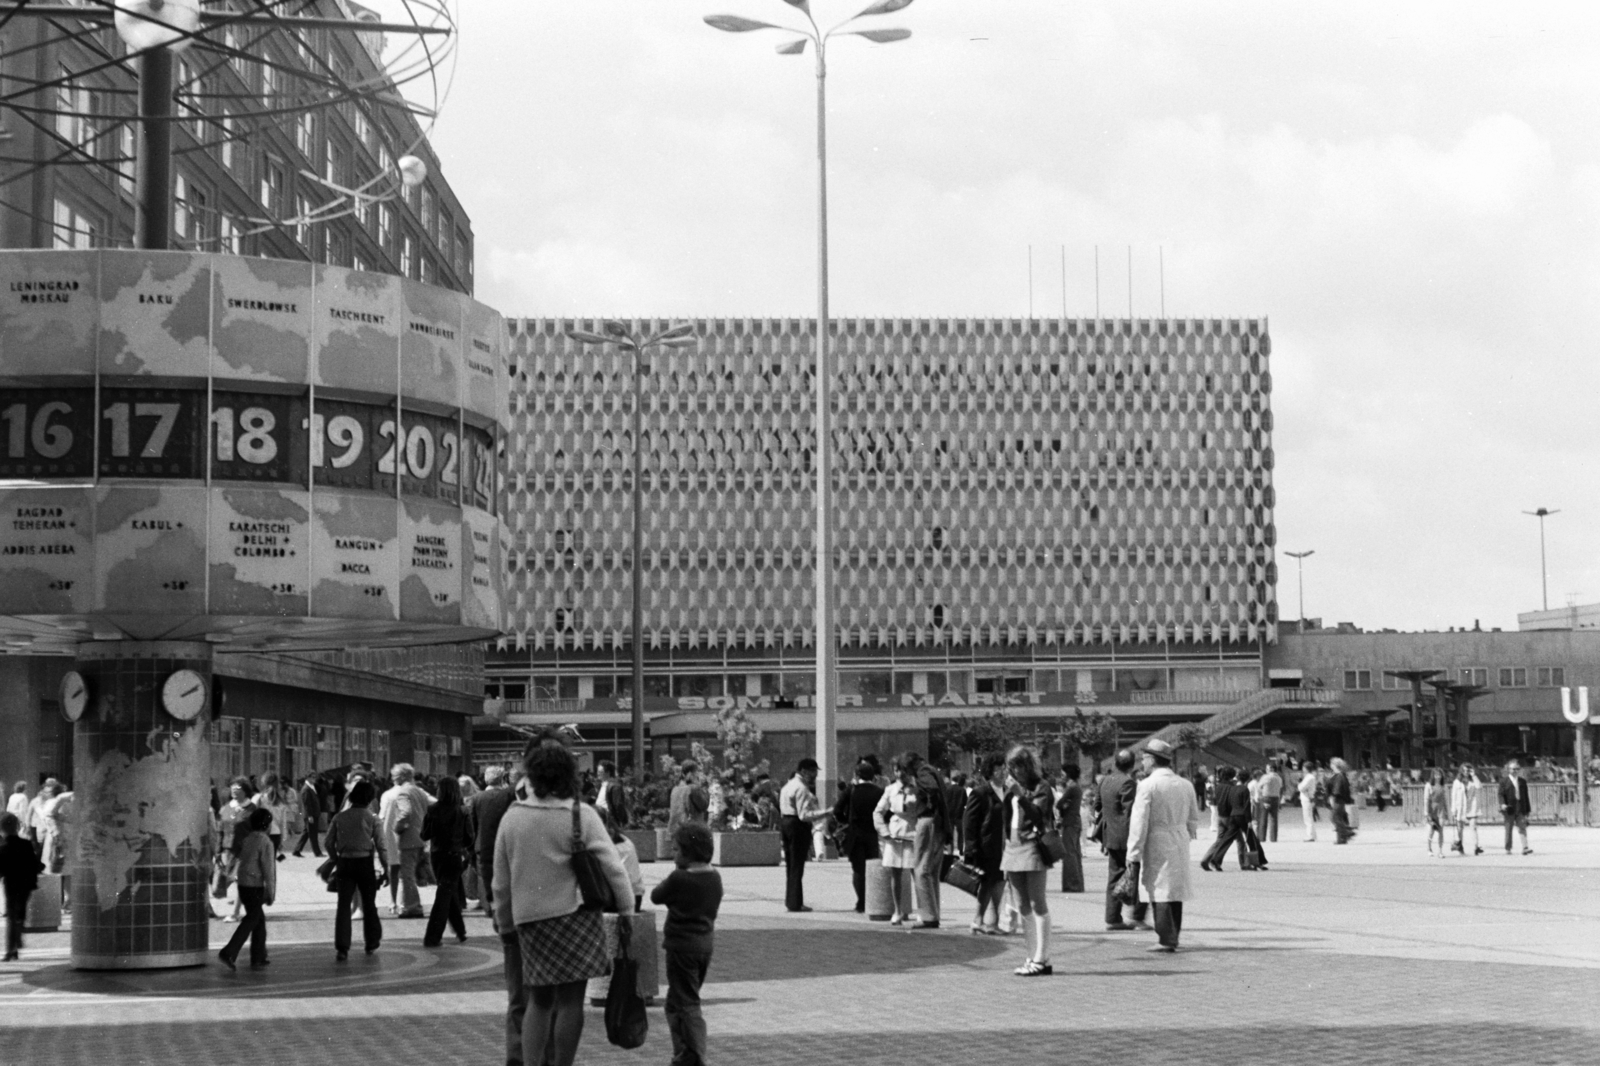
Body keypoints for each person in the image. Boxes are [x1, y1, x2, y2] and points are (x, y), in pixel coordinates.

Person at [493, 742, 633, 1066]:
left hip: (530, 920)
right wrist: (626, 910)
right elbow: (614, 868)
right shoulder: (580, 815)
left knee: (538, 1002)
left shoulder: (512, 818)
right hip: (576, 918)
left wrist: (505, 924)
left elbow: (500, 882)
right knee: (571, 1002)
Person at [651, 822, 724, 1066]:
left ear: (687, 852)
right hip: (704, 945)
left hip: (681, 947)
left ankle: (695, 1053)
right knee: (677, 1001)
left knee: (687, 1002)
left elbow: (656, 895)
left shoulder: (679, 878)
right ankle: (683, 1052)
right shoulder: (714, 877)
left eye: (675, 850)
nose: (673, 855)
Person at [1127, 738, 1201, 952]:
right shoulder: (1185, 784)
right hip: (1179, 838)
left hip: (1157, 839)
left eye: (1144, 759)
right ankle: (1173, 935)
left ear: (1152, 759)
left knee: (1159, 889)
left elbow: (1139, 823)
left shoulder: (1148, 785)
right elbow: (1193, 818)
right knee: (1175, 889)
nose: (1142, 763)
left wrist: (1133, 853)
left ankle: (1165, 939)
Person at [475, 765, 524, 1065]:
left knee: (520, 997)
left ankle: (518, 1056)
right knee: (555, 1000)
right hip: (556, 919)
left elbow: (501, 879)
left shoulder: (487, 802)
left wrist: (500, 917)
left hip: (516, 919)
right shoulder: (575, 814)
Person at [1000, 744, 1053, 975]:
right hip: (1013, 846)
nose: (1014, 772)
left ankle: (1042, 958)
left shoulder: (1041, 787)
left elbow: (1038, 815)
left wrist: (1020, 796)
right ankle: (1031, 956)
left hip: (1032, 844)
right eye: (1010, 767)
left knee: (1036, 903)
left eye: (1018, 766)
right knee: (1021, 905)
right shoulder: (1012, 787)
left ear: (1028, 765)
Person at [325, 779, 386, 961]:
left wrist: (335, 858)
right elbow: (382, 846)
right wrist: (386, 868)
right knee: (369, 903)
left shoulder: (339, 817)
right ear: (369, 799)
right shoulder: (372, 818)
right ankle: (371, 941)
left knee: (343, 905)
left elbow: (328, 842)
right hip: (365, 862)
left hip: (345, 862)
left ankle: (342, 947)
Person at [1096, 749, 1150, 932]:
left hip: (1110, 836)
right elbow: (1131, 812)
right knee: (1140, 874)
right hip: (1126, 837)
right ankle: (1137, 916)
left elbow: (1097, 805)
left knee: (1114, 876)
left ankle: (1112, 917)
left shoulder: (1105, 780)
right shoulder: (1127, 782)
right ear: (1132, 765)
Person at [217, 807, 276, 970]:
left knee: (259, 920)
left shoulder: (248, 838)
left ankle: (259, 956)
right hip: (254, 885)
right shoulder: (265, 842)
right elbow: (268, 871)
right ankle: (229, 951)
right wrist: (271, 893)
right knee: (252, 919)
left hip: (243, 884)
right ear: (267, 825)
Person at [422, 775, 474, 947]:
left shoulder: (432, 809)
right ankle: (433, 936)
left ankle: (460, 931)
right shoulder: (463, 810)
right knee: (445, 894)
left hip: (437, 856)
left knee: (446, 892)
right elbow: (469, 838)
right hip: (454, 856)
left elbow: (424, 834)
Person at [962, 752, 1006, 935]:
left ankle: (992, 921)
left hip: (1006, 845)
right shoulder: (981, 793)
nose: (1002, 771)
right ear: (990, 771)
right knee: (988, 882)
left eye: (1004, 767)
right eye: (998, 768)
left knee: (999, 882)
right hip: (987, 846)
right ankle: (979, 919)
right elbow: (969, 822)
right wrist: (971, 847)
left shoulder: (1008, 791)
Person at [380, 763, 432, 918]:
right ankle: (412, 904)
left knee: (407, 875)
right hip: (420, 836)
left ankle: (412, 906)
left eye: (395, 776)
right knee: (410, 874)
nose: (393, 779)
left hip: (407, 838)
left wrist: (397, 828)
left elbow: (405, 813)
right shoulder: (419, 791)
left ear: (401, 777)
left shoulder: (403, 793)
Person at [873, 755, 920, 925]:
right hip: (894, 834)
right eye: (896, 770)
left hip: (914, 832)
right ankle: (898, 910)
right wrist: (883, 831)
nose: (899, 774)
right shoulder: (890, 789)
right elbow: (878, 811)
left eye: (902, 770)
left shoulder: (918, 788)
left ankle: (922, 910)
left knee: (918, 874)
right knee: (896, 874)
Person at [832, 757, 883, 914]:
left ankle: (861, 902)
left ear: (856, 775)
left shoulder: (850, 791)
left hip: (855, 834)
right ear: (873, 776)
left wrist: (845, 822)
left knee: (858, 869)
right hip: (872, 835)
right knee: (871, 868)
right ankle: (871, 900)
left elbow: (837, 810)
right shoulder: (879, 792)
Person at [777, 757, 828, 912]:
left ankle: (792, 901)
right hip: (797, 826)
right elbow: (804, 815)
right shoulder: (802, 788)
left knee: (791, 866)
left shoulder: (788, 785)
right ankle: (795, 903)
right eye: (812, 771)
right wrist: (825, 812)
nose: (815, 775)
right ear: (804, 771)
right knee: (797, 866)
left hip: (785, 823)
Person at [908, 752, 947, 929]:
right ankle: (933, 913)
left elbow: (931, 788)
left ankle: (929, 916)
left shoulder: (923, 772)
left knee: (921, 870)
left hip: (928, 820)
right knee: (931, 872)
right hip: (938, 822)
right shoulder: (933, 770)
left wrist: (920, 791)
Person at [0, 812, 43, 961]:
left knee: (11, 916)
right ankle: (17, 940)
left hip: (11, 885)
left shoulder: (3, 847)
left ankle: (10, 949)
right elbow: (34, 864)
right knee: (20, 913)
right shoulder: (26, 844)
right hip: (26, 884)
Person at [217, 777, 256, 922]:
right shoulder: (226, 808)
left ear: (245, 791)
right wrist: (218, 851)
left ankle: (235, 913)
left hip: (246, 851)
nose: (234, 791)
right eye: (232, 788)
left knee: (240, 879)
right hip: (229, 850)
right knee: (231, 879)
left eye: (237, 789)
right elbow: (220, 830)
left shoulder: (252, 809)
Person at [1200, 767, 1251, 871]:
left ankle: (1206, 859)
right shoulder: (1231, 787)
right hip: (1230, 816)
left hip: (1220, 815)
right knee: (1240, 841)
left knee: (1220, 840)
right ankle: (1244, 863)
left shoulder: (1219, 786)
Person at [1054, 762, 1085, 893]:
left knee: (1069, 854)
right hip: (1075, 822)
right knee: (1075, 853)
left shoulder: (1071, 787)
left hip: (1070, 823)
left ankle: (1071, 884)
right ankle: (1076, 883)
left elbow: (1059, 803)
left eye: (1063, 774)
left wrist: (1063, 805)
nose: (1061, 776)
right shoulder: (1076, 787)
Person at [253, 773, 293, 860]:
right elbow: (283, 823)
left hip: (262, 834)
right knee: (270, 865)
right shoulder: (281, 802)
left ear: (264, 783)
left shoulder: (259, 798)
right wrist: (283, 840)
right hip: (276, 834)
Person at [667, 762, 709, 841]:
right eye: (697, 772)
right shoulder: (693, 788)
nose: (698, 775)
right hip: (691, 830)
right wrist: (704, 788)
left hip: (675, 830)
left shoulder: (675, 789)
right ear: (691, 773)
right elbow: (704, 805)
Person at [1499, 761, 1532, 855]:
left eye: (1517, 769)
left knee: (1522, 827)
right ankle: (1508, 848)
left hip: (1520, 807)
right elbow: (1500, 794)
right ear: (1509, 770)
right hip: (1509, 808)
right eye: (1513, 769)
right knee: (1508, 829)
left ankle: (1525, 847)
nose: (1515, 771)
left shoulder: (1522, 781)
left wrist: (1528, 810)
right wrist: (1502, 804)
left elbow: (1526, 796)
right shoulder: (1504, 781)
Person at [1450, 764, 1484, 855]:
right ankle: (1460, 848)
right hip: (1461, 807)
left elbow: (1479, 787)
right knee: (1460, 829)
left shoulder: (1473, 780)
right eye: (1464, 770)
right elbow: (1454, 796)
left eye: (1468, 770)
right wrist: (1453, 809)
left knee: (1473, 827)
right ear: (1461, 771)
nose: (1466, 772)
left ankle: (1476, 847)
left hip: (1472, 807)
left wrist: (1474, 775)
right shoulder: (1457, 782)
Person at [293, 774, 323, 858]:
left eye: (315, 777)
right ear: (308, 778)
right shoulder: (306, 789)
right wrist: (310, 815)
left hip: (313, 814)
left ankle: (297, 850)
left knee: (306, 833)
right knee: (313, 834)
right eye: (312, 777)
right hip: (310, 814)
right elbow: (307, 804)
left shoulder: (311, 787)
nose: (314, 779)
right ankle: (317, 852)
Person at [1328, 757, 1356, 844]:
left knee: (1334, 817)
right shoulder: (1339, 775)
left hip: (1338, 800)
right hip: (1341, 800)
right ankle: (1341, 839)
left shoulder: (1339, 776)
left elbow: (1337, 789)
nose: (1330, 765)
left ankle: (1347, 832)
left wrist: (1333, 797)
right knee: (1340, 818)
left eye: (1331, 763)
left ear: (1335, 765)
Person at [1423, 768, 1449, 857]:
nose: (1438, 777)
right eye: (1436, 775)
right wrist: (1426, 812)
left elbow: (1445, 800)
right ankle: (1429, 848)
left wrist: (1447, 812)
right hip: (1432, 810)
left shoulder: (1444, 786)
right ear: (1433, 776)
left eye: (1439, 775)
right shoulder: (1429, 785)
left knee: (1441, 830)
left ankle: (1440, 851)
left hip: (1441, 810)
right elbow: (1426, 799)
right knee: (1431, 830)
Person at [1257, 763, 1282, 843]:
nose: (1266, 770)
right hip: (1276, 798)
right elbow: (1280, 787)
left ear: (1271, 769)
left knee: (1263, 818)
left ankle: (1262, 837)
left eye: (1267, 769)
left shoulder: (1265, 777)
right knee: (1274, 819)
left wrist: (1261, 792)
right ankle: (1273, 838)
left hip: (1266, 798)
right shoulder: (1279, 778)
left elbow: (1259, 786)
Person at [1297, 761, 1320, 841]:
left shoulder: (1309, 777)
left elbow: (1301, 788)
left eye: (1303, 767)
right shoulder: (1310, 777)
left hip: (1307, 798)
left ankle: (1310, 835)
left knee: (1308, 818)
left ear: (1306, 768)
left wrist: (1299, 784)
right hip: (1308, 798)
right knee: (1309, 817)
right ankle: (1313, 835)